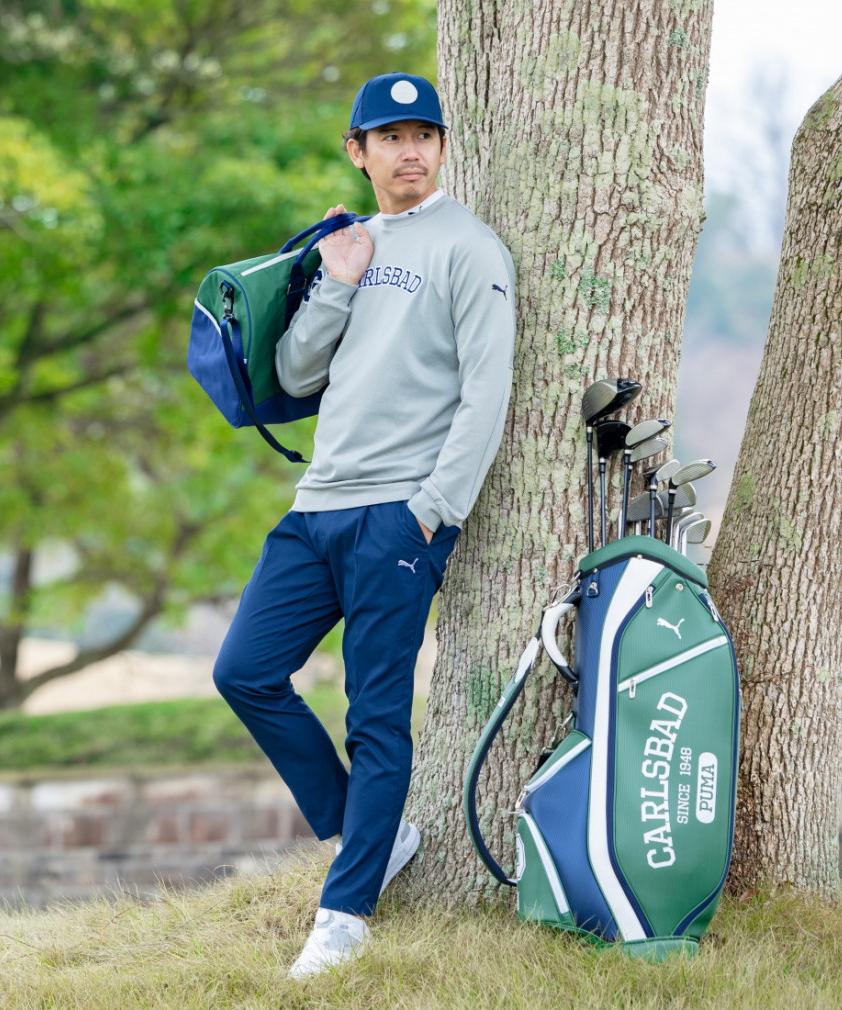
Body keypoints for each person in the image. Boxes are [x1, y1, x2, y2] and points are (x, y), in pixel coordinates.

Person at [212, 71, 516, 978]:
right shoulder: (348, 243)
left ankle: (345, 916)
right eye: (390, 136)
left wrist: (433, 514)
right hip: (316, 510)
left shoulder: (471, 247)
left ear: (442, 147)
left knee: (375, 714)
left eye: (425, 133)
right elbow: (300, 373)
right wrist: (335, 281)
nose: (410, 149)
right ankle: (368, 836)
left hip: (399, 514)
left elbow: (485, 392)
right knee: (245, 671)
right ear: (358, 150)